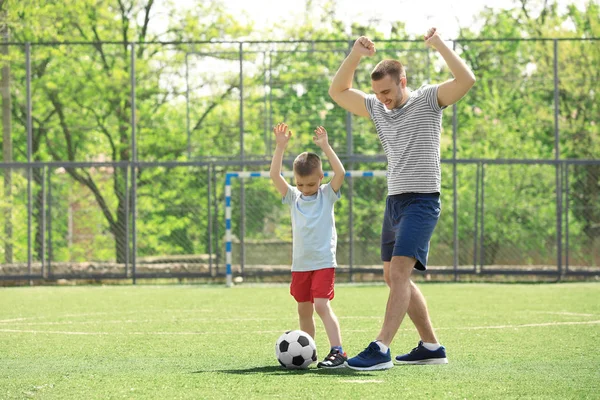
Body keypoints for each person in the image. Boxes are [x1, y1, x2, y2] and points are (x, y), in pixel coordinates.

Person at [328, 28, 476, 370]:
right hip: (394, 201)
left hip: (422, 201)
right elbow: (338, 90)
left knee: (397, 274)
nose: (382, 98)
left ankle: (381, 348)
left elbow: (466, 80)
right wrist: (355, 55)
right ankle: (431, 346)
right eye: (377, 93)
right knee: (395, 277)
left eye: (388, 91)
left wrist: (439, 44)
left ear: (403, 81)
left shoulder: (428, 99)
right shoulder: (379, 109)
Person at [269, 122, 347, 369]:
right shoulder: (293, 197)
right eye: (301, 184)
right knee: (304, 310)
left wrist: (325, 146)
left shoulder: (327, 194)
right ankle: (308, 351)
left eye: (311, 184)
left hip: (323, 262)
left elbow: (341, 173)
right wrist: (280, 147)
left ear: (320, 178)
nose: (306, 189)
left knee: (322, 305)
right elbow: (274, 175)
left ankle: (338, 351)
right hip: (300, 266)